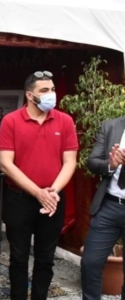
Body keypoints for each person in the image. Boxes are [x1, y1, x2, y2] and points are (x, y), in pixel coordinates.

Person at [0, 71, 78, 300]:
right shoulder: (10, 121)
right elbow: (6, 164)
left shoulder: (65, 121)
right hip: (19, 200)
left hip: (53, 200)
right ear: (30, 95)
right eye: (45, 90)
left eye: (52, 89)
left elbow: (70, 162)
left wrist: (52, 192)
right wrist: (37, 192)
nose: (51, 94)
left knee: (45, 258)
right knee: (19, 257)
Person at [81, 116, 125, 299]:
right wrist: (111, 164)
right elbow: (92, 162)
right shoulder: (111, 126)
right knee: (90, 263)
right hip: (109, 205)